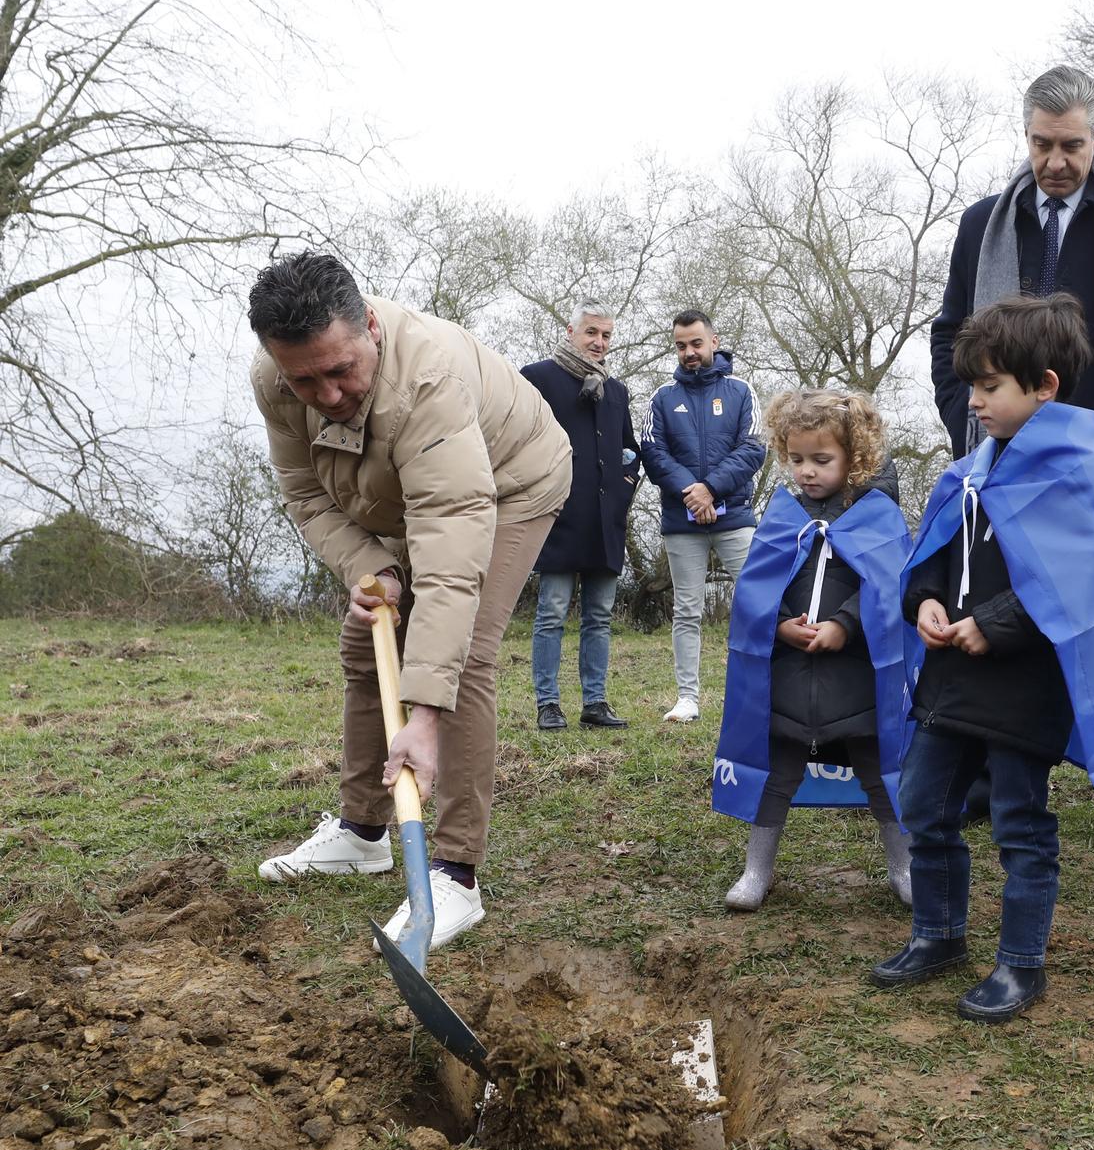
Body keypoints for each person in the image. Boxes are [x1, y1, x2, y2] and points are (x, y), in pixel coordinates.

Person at [249, 251, 571, 950]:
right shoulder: (275, 383)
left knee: (467, 656)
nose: (329, 394)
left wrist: (425, 713)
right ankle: (363, 832)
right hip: (403, 496)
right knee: (370, 634)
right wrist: (376, 571)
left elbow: (452, 545)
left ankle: (454, 877)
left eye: (341, 370)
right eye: (307, 379)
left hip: (513, 481)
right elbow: (305, 494)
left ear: (368, 324)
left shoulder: (428, 378)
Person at [873, 294, 1094, 1024]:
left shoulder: (1074, 464)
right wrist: (925, 602)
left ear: (1045, 385)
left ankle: (1021, 963)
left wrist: (994, 626)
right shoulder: (973, 467)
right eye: (972, 385)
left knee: (1019, 821)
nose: (974, 401)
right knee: (923, 805)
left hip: (1023, 683)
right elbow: (937, 549)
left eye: (990, 386)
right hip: (952, 678)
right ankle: (939, 934)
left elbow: (1084, 577)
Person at [930, 64, 1094, 864]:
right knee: (998, 620)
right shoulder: (983, 223)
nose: (1055, 160)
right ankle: (985, 778)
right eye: (1042, 143)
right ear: (1027, 137)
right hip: (1002, 476)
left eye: (1071, 144)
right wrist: (965, 425)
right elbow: (950, 337)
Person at [711, 391, 912, 911]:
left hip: (856, 682)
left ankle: (904, 868)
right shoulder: (782, 515)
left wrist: (846, 624)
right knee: (776, 777)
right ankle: (756, 871)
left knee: (882, 774)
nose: (806, 472)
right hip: (791, 682)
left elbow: (888, 586)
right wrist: (779, 626)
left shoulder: (876, 515)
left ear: (855, 457)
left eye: (821, 460)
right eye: (796, 459)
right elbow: (756, 589)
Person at [639, 309, 765, 724]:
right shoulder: (661, 397)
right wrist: (692, 495)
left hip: (736, 519)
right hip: (681, 523)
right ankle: (688, 699)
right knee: (687, 610)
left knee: (757, 603)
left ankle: (760, 692)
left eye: (696, 343)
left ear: (713, 341)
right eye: (680, 345)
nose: (689, 352)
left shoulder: (741, 390)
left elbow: (753, 449)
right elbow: (653, 454)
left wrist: (710, 488)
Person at [522, 302, 641, 732]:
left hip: (605, 522)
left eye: (607, 335)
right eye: (591, 332)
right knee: (552, 612)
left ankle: (595, 702)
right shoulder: (537, 378)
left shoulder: (617, 390)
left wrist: (626, 486)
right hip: (556, 520)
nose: (599, 342)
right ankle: (548, 704)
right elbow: (518, 440)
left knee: (600, 615)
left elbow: (631, 450)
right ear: (570, 331)